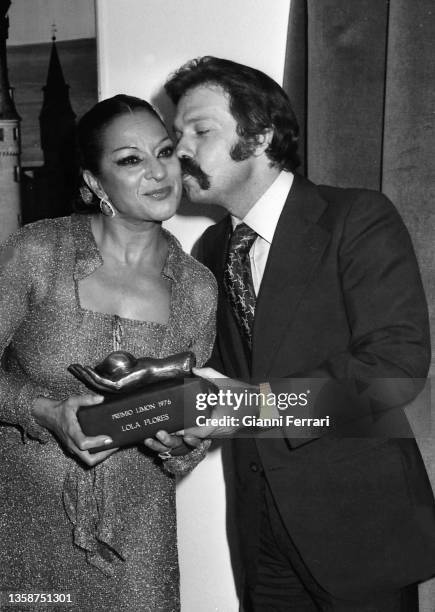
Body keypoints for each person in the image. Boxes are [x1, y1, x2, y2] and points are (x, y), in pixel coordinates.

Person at [145, 57, 435, 611]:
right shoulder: (209, 252)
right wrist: (192, 421)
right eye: (177, 134)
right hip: (261, 536)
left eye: (200, 131)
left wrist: (251, 410)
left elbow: (393, 373)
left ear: (259, 135)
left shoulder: (356, 217)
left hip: (360, 533)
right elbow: (226, 387)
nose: (179, 150)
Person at [0, 94, 216, 611]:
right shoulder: (38, 252)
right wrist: (45, 411)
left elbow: (183, 434)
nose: (158, 172)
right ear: (95, 182)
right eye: (130, 160)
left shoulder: (197, 288)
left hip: (138, 548)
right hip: (23, 528)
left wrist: (183, 442)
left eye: (164, 152)